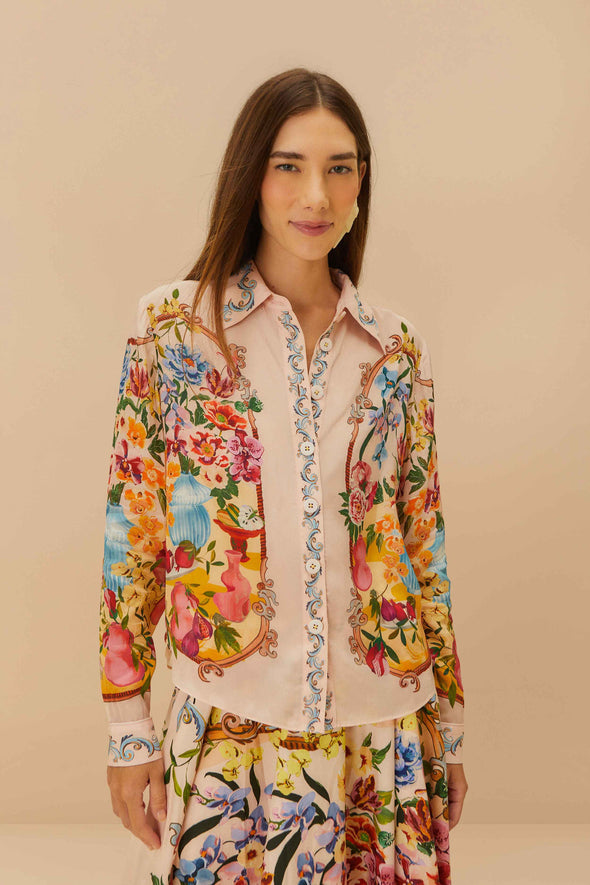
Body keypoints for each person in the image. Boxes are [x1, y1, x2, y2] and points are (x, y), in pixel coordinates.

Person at [99, 67, 468, 885]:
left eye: (340, 168)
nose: (317, 195)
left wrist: (447, 727)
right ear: (250, 175)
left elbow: (422, 542)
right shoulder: (174, 330)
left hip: (383, 737)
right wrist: (128, 730)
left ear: (362, 183)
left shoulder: (396, 348)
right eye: (289, 165)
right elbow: (134, 533)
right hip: (231, 731)